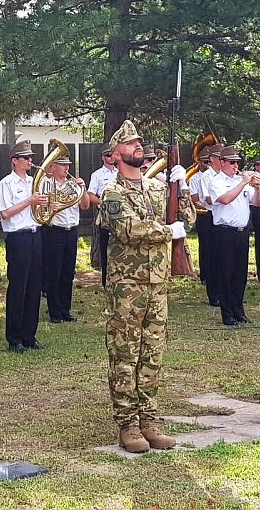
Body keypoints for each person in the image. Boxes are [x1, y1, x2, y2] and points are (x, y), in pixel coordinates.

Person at [101, 120, 188, 453]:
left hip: (157, 285)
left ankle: (149, 420)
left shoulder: (157, 188)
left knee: (152, 353)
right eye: (129, 143)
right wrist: (167, 231)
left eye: (139, 141)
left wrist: (182, 189)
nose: (138, 145)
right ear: (115, 155)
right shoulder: (113, 192)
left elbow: (186, 220)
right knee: (125, 354)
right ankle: (128, 424)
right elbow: (127, 229)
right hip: (127, 288)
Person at [0, 141, 48, 352]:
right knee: (18, 287)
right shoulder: (6, 183)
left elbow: (40, 208)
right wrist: (29, 201)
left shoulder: (34, 182)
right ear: (14, 161)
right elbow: (5, 213)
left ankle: (29, 335)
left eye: (31, 157)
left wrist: (48, 205)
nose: (30, 161)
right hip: (18, 238)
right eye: (26, 158)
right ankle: (14, 338)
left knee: (35, 287)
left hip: (36, 235)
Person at [208, 143, 257, 326]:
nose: (235, 166)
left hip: (242, 232)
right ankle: (227, 313)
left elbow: (256, 202)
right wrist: (243, 183)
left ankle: (238, 310)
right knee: (226, 272)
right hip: (224, 232)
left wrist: (258, 188)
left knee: (240, 273)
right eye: (231, 162)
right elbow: (225, 199)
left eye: (237, 162)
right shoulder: (216, 181)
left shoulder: (239, 180)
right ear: (222, 162)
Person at [40, 153, 83, 324]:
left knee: (68, 272)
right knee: (54, 272)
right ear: (53, 167)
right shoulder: (46, 184)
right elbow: (41, 208)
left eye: (68, 165)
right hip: (54, 230)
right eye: (63, 165)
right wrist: (52, 205)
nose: (67, 168)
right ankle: (55, 311)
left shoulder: (72, 185)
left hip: (71, 231)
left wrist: (83, 189)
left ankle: (66, 309)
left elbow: (85, 205)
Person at [191, 143, 221, 306]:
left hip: (220, 216)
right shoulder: (201, 178)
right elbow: (204, 199)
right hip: (207, 215)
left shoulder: (224, 176)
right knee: (209, 251)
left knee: (220, 255)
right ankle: (211, 286)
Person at [86, 146, 118, 284]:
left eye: (112, 155)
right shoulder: (97, 175)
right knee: (105, 247)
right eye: (108, 155)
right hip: (105, 215)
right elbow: (90, 194)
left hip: (120, 214)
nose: (111, 157)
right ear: (103, 157)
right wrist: (103, 203)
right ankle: (105, 280)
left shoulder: (120, 172)